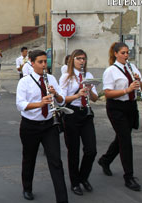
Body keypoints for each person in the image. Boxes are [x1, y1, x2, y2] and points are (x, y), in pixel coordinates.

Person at [16, 49, 68, 203]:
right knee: (29, 158)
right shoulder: (24, 81)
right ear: (32, 63)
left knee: (56, 161)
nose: (44, 65)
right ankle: (27, 187)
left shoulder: (51, 78)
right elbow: (20, 104)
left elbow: (62, 100)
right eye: (40, 62)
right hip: (30, 125)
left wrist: (56, 95)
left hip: (49, 125)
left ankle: (62, 198)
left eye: (46, 61)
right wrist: (40, 103)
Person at [98, 42, 142, 191]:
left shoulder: (131, 67)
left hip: (130, 106)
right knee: (125, 140)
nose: (126, 55)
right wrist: (127, 89)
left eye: (127, 52)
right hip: (116, 107)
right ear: (116, 54)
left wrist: (139, 81)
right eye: (123, 53)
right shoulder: (111, 71)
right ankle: (129, 176)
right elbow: (107, 93)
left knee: (121, 137)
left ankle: (105, 160)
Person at [59, 49, 98, 196]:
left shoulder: (88, 75)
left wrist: (90, 90)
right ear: (72, 60)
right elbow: (61, 99)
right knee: (73, 151)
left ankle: (83, 177)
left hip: (86, 113)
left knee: (91, 150)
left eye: (84, 58)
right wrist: (77, 94)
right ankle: (75, 182)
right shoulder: (66, 77)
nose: (82, 61)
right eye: (79, 58)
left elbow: (94, 98)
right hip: (72, 114)